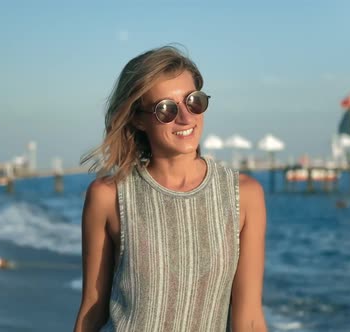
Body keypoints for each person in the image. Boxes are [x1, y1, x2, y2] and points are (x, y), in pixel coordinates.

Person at [74, 45, 267, 331]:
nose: (186, 118)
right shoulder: (109, 196)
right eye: (166, 109)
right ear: (138, 118)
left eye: (194, 101)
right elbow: (92, 307)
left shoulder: (244, 196)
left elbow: (249, 319)